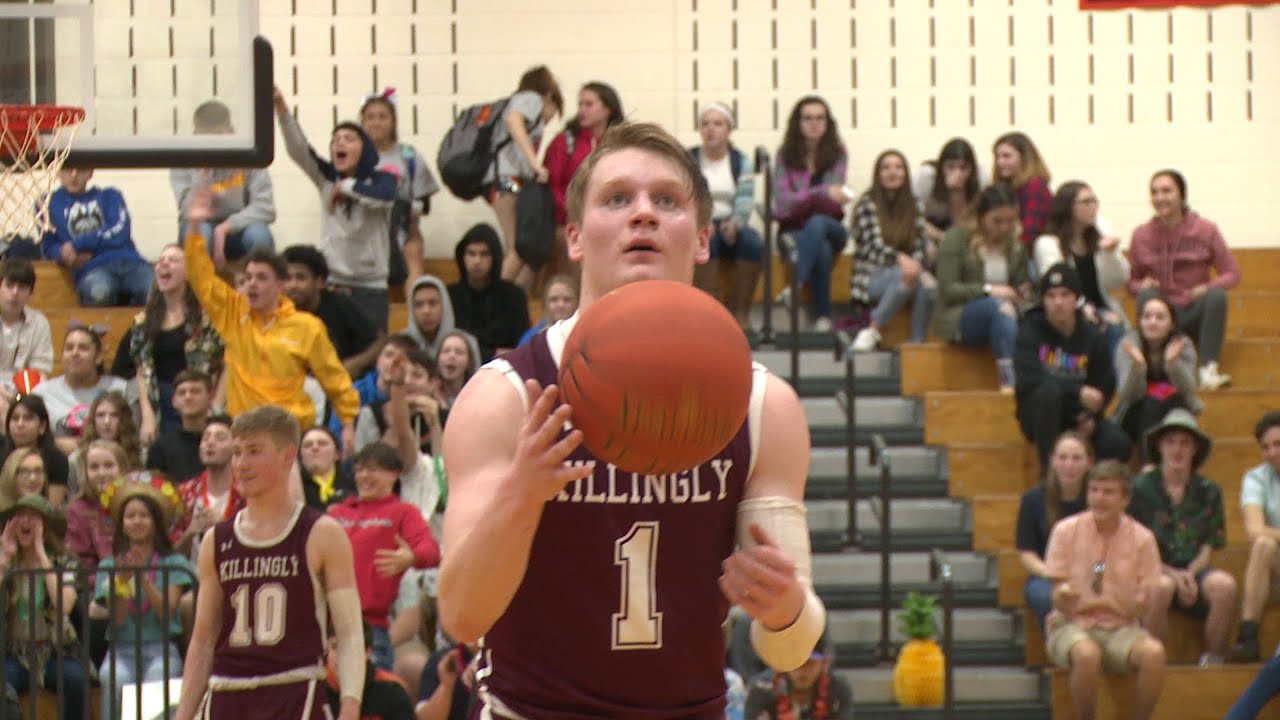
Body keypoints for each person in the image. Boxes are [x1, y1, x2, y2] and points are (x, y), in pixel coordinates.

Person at [438, 122, 823, 717]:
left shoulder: (762, 406)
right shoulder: (506, 396)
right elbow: (462, 614)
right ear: (574, 237)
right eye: (617, 198)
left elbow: (792, 649)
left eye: (666, 200)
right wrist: (524, 492)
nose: (642, 213)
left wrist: (784, 607)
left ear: (700, 240)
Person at [174, 406, 365, 720]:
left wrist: (350, 705)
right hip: (226, 697)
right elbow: (204, 640)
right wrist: (183, 715)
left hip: (295, 692)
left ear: (287, 456)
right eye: (236, 453)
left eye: (253, 452)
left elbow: (348, 633)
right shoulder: (216, 540)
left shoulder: (321, 533)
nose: (241, 464)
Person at [181, 189, 359, 448]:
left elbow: (335, 378)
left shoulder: (307, 327)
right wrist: (195, 226)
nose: (252, 284)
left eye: (261, 278)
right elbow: (201, 277)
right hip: (244, 434)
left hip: (289, 437)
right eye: (249, 277)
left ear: (280, 286)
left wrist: (348, 423)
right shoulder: (233, 313)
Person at [1043, 460, 1166, 720]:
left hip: (1121, 626)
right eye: (1094, 490)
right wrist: (1063, 595)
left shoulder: (1142, 539)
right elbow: (1056, 594)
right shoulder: (1065, 531)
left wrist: (1140, 602)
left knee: (1154, 654)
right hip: (1072, 623)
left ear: (1125, 499)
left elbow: (1145, 600)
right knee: (1088, 654)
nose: (1099, 498)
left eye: (1108, 492)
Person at [274, 86, 398, 331]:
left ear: (365, 151)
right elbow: (299, 150)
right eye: (336, 139)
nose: (340, 142)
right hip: (333, 285)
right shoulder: (326, 180)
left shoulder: (382, 179)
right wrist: (281, 108)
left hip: (371, 289)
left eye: (349, 139)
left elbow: (384, 197)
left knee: (371, 354)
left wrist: (346, 186)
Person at [1127, 408, 1235, 667]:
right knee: (1161, 587)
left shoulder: (1209, 490)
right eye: (1171, 442)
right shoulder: (1139, 488)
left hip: (1195, 569)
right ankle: (1150, 662)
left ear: (1195, 449)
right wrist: (1173, 575)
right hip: (1153, 569)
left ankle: (1213, 662)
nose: (1178, 449)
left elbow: (1210, 545)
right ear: (1160, 447)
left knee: (1225, 586)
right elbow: (1134, 548)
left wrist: (1189, 574)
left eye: (1185, 443)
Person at [328, 441, 440, 671]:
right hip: (325, 625)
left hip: (371, 628)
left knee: (371, 700)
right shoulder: (337, 512)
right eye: (359, 470)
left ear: (394, 474)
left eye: (373, 469)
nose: (363, 476)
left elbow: (431, 552)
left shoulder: (403, 512)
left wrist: (411, 558)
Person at [1127, 169, 1239, 390]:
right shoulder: (1141, 234)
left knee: (1216, 296)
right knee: (1146, 296)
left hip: (1193, 310)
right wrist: (1141, 285)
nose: (1160, 198)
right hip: (1163, 314)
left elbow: (1232, 274)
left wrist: (1206, 287)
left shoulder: (1206, 229)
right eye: (1154, 192)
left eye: (1166, 191)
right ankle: (1150, 370)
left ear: (1182, 195)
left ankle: (1208, 369)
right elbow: (1131, 281)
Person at [1014, 263, 1130, 467]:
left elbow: (1105, 382)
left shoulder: (1091, 334)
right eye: (1051, 296)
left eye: (1065, 294)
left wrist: (1092, 416)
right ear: (1043, 300)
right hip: (1040, 415)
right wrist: (1076, 391)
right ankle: (1048, 478)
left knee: (1118, 443)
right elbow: (1029, 378)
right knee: (1049, 391)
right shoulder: (1029, 330)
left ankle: (1094, 491)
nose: (1058, 302)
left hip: (1078, 416)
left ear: (1076, 298)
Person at [95, 475, 191, 720]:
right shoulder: (109, 565)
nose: (137, 521)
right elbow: (117, 620)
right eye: (130, 516)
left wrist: (144, 579)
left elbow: (167, 611)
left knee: (157, 682)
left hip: (161, 649)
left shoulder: (174, 563)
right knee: (113, 678)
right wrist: (123, 582)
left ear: (155, 522)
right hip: (121, 650)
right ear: (122, 524)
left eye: (144, 515)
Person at [115, 244, 225, 443]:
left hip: (199, 398)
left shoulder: (208, 317)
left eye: (173, 260)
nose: (164, 263)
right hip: (162, 399)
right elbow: (142, 370)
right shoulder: (143, 321)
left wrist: (215, 404)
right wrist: (148, 418)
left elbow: (228, 364)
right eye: (161, 260)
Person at [933, 184, 1031, 393]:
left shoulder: (1015, 244)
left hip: (1005, 316)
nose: (1004, 227)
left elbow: (1019, 282)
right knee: (999, 307)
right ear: (980, 217)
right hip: (961, 315)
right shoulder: (956, 238)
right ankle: (1010, 383)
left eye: (1010, 221)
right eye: (997, 221)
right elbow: (949, 289)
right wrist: (989, 290)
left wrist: (1025, 290)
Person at [0, 494, 89, 720]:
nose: (26, 522)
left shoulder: (63, 561)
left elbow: (65, 605)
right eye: (20, 516)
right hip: (14, 653)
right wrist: (4, 564)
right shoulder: (5, 562)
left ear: (45, 525)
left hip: (54, 652)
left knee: (77, 680)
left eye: (33, 517)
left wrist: (41, 555)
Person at [771, 96, 850, 332]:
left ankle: (796, 285)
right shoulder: (785, 155)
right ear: (798, 123)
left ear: (828, 123)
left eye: (819, 118)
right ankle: (823, 318)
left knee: (818, 223)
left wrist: (806, 198)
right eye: (807, 118)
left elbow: (835, 205)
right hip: (793, 231)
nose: (814, 124)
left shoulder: (838, 152)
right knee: (821, 249)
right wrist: (822, 192)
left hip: (831, 227)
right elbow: (783, 203)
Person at [171, 100, 277, 269]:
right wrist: (203, 173)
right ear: (196, 135)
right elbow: (188, 210)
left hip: (241, 227)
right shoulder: (183, 160)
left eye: (218, 136)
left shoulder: (251, 155)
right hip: (203, 226)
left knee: (259, 236)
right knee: (200, 236)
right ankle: (198, 293)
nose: (214, 143)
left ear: (231, 132)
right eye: (206, 138)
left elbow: (266, 208)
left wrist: (225, 228)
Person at [849, 149, 936, 352]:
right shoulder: (867, 204)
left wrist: (913, 265)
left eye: (898, 167)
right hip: (870, 276)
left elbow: (920, 245)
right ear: (878, 174)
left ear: (905, 174)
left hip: (906, 273)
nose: (892, 172)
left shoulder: (915, 205)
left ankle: (916, 343)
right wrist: (901, 259)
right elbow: (871, 248)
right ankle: (872, 330)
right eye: (886, 168)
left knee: (930, 285)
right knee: (906, 274)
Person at [486, 65, 564, 292]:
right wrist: (534, 164)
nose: (549, 121)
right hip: (506, 180)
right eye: (553, 111)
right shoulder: (532, 98)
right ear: (549, 96)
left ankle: (514, 300)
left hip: (507, 180)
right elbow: (513, 121)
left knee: (524, 251)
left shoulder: (521, 101)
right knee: (517, 249)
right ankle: (495, 303)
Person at [689, 102, 764, 329]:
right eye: (706, 124)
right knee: (706, 241)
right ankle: (708, 313)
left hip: (730, 220)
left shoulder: (740, 161)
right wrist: (702, 221)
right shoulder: (688, 158)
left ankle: (740, 313)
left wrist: (736, 223)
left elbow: (744, 198)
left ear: (728, 130)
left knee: (752, 242)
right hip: (699, 222)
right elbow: (686, 196)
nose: (711, 129)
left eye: (718, 124)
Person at [1032, 181, 1129, 355]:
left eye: (1094, 201)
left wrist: (1110, 254)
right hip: (1068, 310)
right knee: (1112, 330)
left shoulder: (1101, 230)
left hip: (1103, 308)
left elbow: (1118, 281)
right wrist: (1083, 307)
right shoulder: (1048, 243)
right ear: (1068, 208)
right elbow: (1057, 287)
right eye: (1086, 202)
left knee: (1121, 330)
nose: (1093, 207)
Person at [359, 89, 440, 290]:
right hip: (363, 231)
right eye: (370, 117)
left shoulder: (408, 156)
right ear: (362, 122)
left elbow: (424, 201)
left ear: (393, 121)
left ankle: (414, 307)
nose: (376, 123)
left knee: (413, 249)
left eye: (382, 117)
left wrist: (410, 212)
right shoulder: (354, 156)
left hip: (402, 229)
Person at [545, 81, 625, 280]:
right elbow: (552, 186)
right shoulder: (565, 142)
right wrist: (574, 212)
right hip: (570, 219)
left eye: (588, 104)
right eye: (580, 104)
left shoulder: (622, 143)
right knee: (574, 240)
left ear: (608, 108)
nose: (582, 110)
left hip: (615, 218)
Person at [41, 167, 154, 306]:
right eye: (68, 169)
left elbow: (119, 232)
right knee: (99, 292)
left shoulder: (110, 196)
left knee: (155, 290)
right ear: (58, 171)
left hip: (130, 263)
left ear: (90, 172)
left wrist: (76, 245)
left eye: (80, 169)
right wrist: (62, 253)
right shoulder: (47, 203)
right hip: (92, 269)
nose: (74, 175)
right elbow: (48, 246)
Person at [1016, 431, 1093, 632]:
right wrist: (1053, 574)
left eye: (1077, 458)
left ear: (1089, 462)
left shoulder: (1099, 500)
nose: (1069, 465)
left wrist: (1097, 578)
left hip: (1091, 574)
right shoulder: (1033, 499)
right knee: (1045, 597)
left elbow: (1105, 555)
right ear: (1052, 460)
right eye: (1063, 458)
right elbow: (1027, 553)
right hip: (1046, 576)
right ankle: (1064, 648)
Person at [1112, 295, 1201, 463]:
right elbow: (1127, 395)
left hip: (1173, 407)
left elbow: (1188, 389)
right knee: (1150, 405)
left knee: (1176, 411)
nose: (1152, 322)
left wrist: (1172, 364)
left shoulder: (1183, 344)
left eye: (1160, 317)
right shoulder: (1128, 344)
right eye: (1147, 317)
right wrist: (1138, 367)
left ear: (1172, 323)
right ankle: (1149, 466)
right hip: (1136, 411)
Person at [282, 244, 382, 378]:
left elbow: (381, 341)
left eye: (301, 278)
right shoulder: (277, 310)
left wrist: (356, 364)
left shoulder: (339, 304)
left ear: (320, 282)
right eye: (287, 279)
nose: (292, 285)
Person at [1231, 411, 1280, 662]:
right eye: (1265, 447)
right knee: (1263, 545)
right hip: (1276, 566)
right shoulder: (1256, 478)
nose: (1271, 452)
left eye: (1278, 444)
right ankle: (1248, 636)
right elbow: (1255, 530)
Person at [32, 326, 129, 447]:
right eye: (69, 348)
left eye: (83, 348)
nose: (75, 353)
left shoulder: (121, 390)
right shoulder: (41, 394)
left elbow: (130, 437)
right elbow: (32, 439)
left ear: (98, 357)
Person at [447, 223, 531, 362]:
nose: (477, 261)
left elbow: (523, 341)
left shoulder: (514, 296)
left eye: (484, 254)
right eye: (471, 254)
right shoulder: (449, 295)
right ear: (462, 257)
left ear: (495, 257)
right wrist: (490, 353)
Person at [171, 415, 241, 558]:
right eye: (206, 438)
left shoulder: (247, 492)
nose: (210, 442)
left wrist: (225, 527)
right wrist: (190, 532)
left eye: (220, 438)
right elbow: (169, 557)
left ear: (236, 447)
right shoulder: (183, 493)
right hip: (192, 577)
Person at [742, 632, 854, 719]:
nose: (802, 670)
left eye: (810, 663)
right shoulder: (761, 690)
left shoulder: (837, 689)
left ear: (825, 663)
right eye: (796, 663)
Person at [0, 258, 53, 421]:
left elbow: (39, 370)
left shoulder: (39, 322)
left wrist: (23, 396)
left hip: (25, 390)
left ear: (30, 293)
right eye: (9, 286)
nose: (15, 293)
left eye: (22, 288)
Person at [325, 625, 415, 720]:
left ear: (367, 652)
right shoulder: (316, 689)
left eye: (348, 647)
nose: (340, 655)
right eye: (334, 647)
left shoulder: (392, 692)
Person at [145, 369, 215, 485]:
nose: (188, 397)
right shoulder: (160, 448)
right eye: (182, 393)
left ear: (210, 397)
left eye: (195, 391)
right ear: (174, 401)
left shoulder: (225, 441)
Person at [67, 391, 141, 497]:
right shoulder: (76, 459)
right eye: (100, 415)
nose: (107, 421)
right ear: (93, 420)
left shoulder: (140, 455)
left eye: (114, 415)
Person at [0, 396, 70, 507]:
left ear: (42, 426)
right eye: (15, 418)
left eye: (28, 418)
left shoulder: (56, 460)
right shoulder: (2, 455)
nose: (20, 424)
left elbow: (52, 508)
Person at [916, 138, 985, 243]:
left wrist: (956, 192)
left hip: (962, 226)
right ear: (941, 167)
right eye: (950, 167)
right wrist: (943, 237)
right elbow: (914, 218)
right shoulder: (927, 177)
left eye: (963, 168)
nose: (957, 173)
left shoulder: (981, 179)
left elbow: (960, 225)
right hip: (930, 226)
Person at [992, 131, 1053, 248]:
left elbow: (1030, 231)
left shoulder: (1035, 187)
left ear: (1024, 157)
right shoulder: (1005, 188)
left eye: (1006, 156)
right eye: (997, 157)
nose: (1000, 162)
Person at [401, 275, 471, 358]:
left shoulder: (466, 343)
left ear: (445, 305)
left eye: (432, 303)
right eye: (419, 305)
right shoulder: (400, 344)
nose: (426, 311)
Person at [299, 427, 355, 511]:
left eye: (322, 444)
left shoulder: (353, 485)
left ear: (337, 454)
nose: (315, 447)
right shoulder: (294, 490)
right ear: (301, 456)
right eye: (308, 445)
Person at [517, 274, 579, 347]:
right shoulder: (531, 337)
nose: (560, 305)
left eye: (567, 299)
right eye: (554, 300)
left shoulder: (584, 333)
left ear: (577, 303)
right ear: (545, 304)